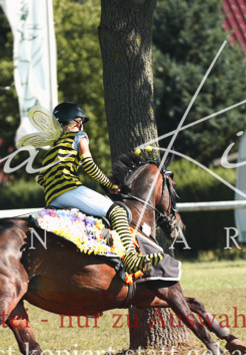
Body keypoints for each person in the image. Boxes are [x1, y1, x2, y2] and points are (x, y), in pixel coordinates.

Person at [37, 102, 161, 275]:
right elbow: (88, 164)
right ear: (78, 121)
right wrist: (109, 184)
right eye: (82, 122)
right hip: (69, 190)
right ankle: (132, 258)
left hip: (51, 198)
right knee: (116, 211)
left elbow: (41, 178)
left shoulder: (52, 147)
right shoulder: (80, 136)